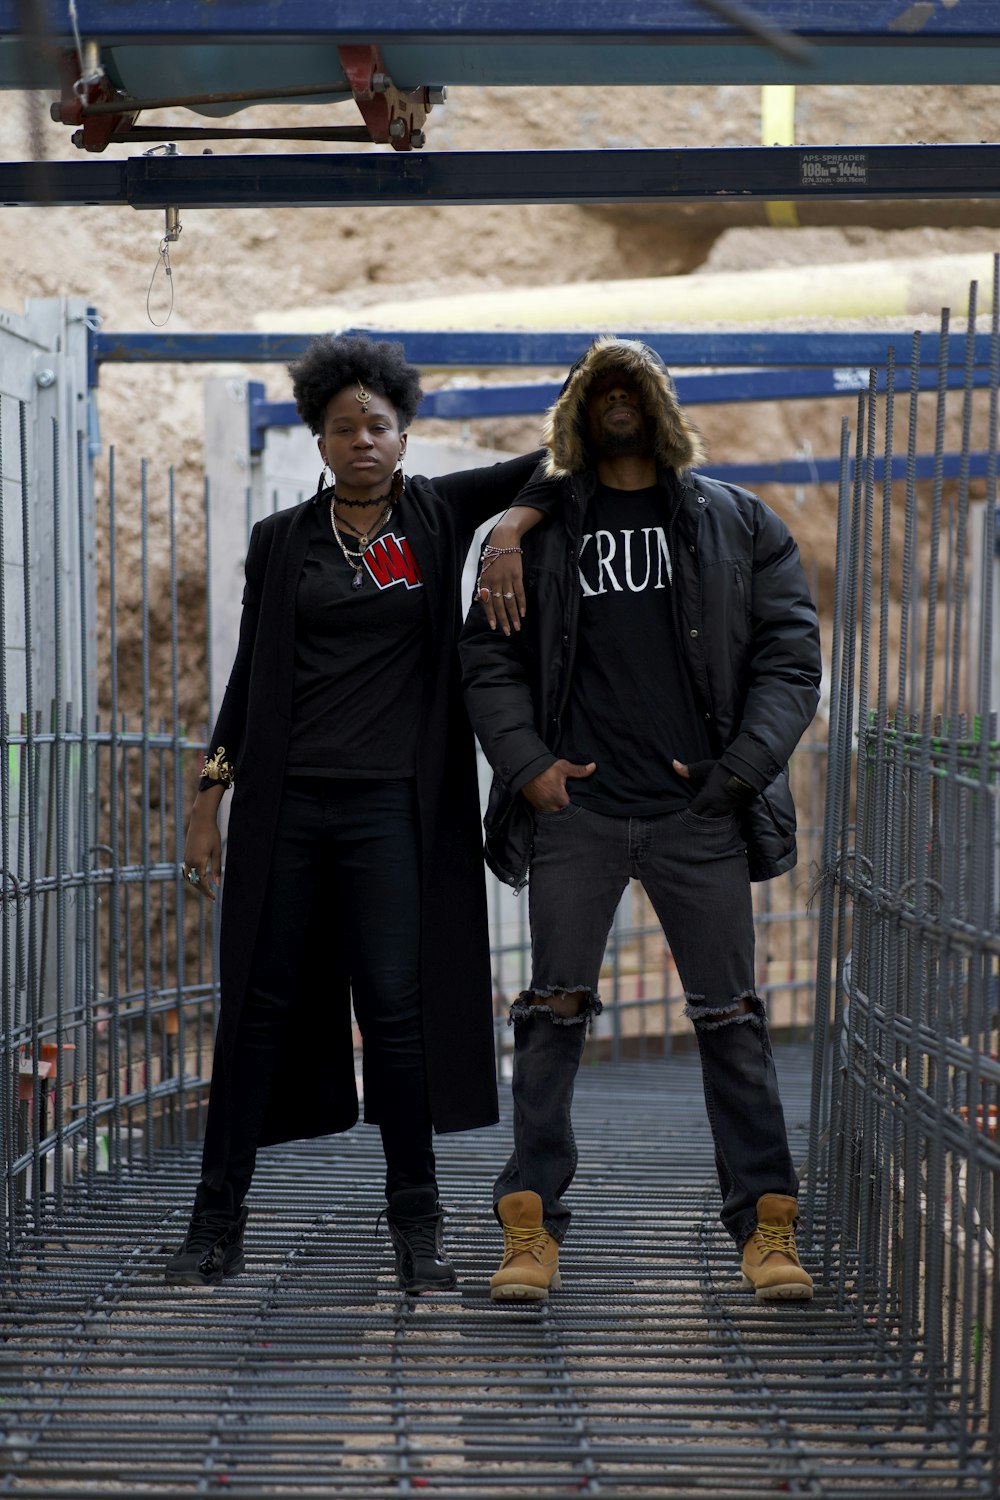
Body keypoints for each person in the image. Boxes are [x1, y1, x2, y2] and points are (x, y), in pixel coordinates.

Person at [166, 333, 546, 1292]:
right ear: (320, 441)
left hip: (394, 813)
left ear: (405, 433)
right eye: (344, 427)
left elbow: (556, 463)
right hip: (286, 812)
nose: (363, 439)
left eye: (378, 423)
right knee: (254, 1007)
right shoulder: (280, 542)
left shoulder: (443, 512)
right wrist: (210, 791)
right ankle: (216, 1225)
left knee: (397, 1013)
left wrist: (507, 533)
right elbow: (250, 683)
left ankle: (418, 1234)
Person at [459, 335, 822, 1303]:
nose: (617, 402)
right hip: (575, 811)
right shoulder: (536, 533)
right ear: (578, 410)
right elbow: (486, 660)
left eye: (634, 389)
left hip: (697, 811)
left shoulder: (738, 523)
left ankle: (767, 1230)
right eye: (600, 388)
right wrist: (528, 768)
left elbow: (790, 656)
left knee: (732, 1019)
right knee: (549, 1015)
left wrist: (738, 771)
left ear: (659, 409)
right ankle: (529, 1228)